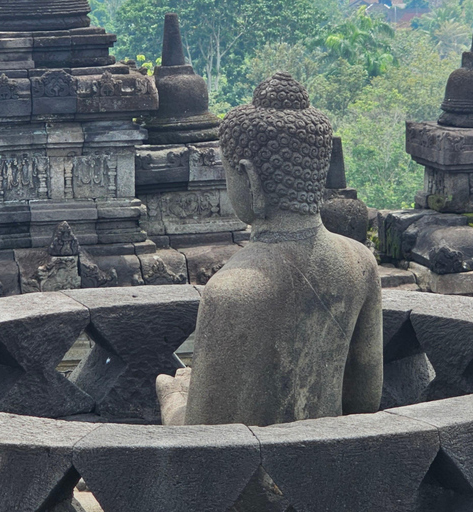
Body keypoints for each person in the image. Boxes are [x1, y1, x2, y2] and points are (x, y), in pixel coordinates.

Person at [157, 72, 383, 427]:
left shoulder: (231, 290)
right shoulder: (361, 263)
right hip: (330, 469)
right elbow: (365, 403)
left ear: (249, 179)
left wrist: (173, 400)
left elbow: (201, 442)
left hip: (254, 481)